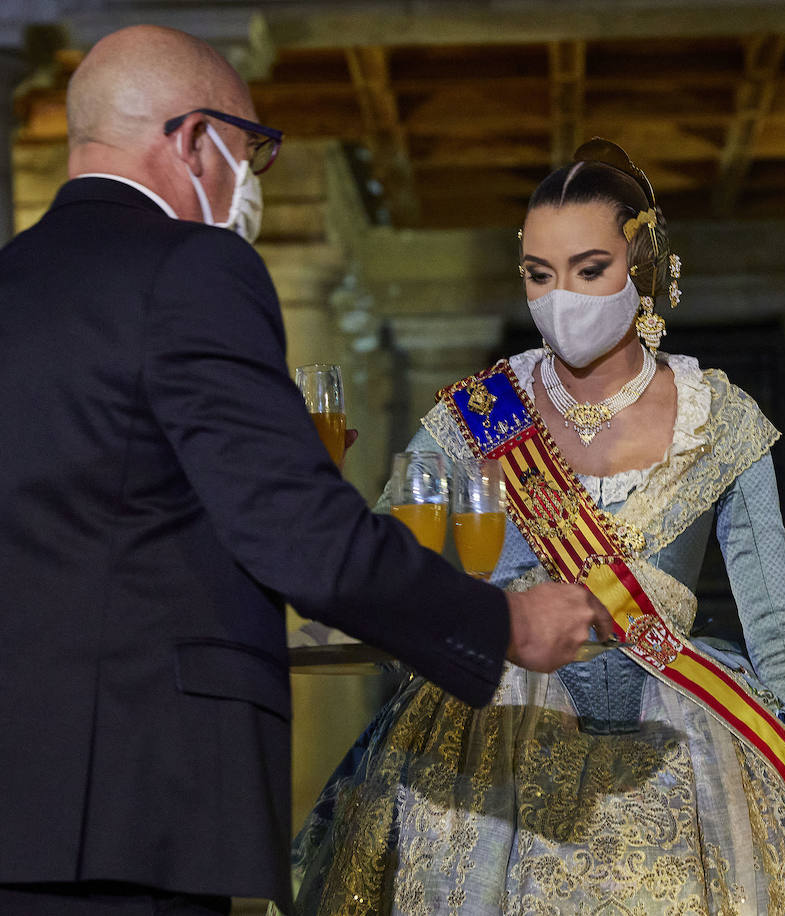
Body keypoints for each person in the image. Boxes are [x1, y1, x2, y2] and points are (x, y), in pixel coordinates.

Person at [0, 26, 610, 916]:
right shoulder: (194, 268)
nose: (252, 177)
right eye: (253, 148)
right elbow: (301, 536)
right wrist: (504, 623)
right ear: (193, 139)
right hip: (134, 808)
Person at [285, 140, 785, 915]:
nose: (560, 296)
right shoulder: (475, 417)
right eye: (540, 274)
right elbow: (374, 573)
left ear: (641, 267)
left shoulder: (722, 420)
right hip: (487, 748)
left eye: (588, 269)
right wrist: (310, 493)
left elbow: (776, 627)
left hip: (686, 753)